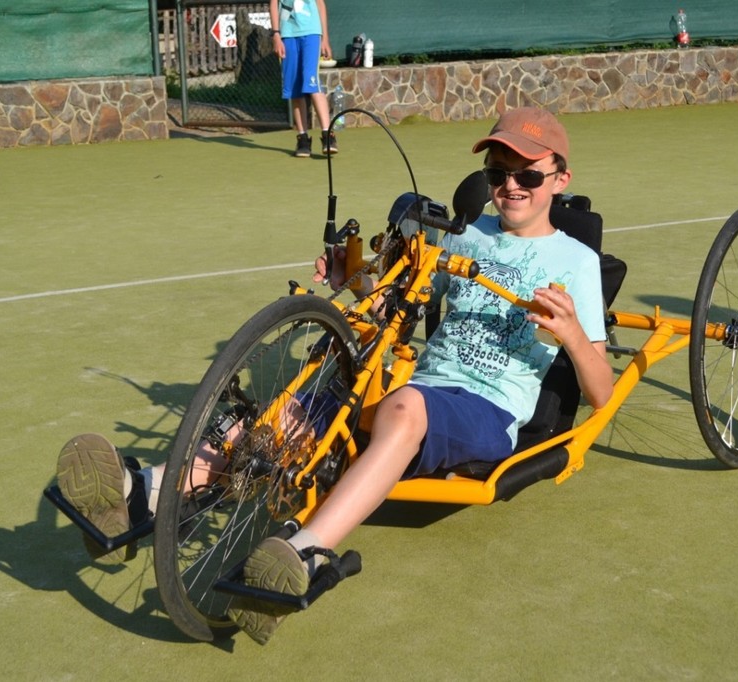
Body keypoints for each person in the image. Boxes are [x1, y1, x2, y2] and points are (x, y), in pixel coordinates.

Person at [53, 107, 614, 643]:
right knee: (293, 413)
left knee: (402, 409)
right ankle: (142, 492)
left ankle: (306, 553)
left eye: (527, 175)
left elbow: (600, 392)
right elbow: (400, 297)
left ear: (559, 179)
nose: (511, 185)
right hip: (419, 385)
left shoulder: (576, 261)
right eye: (497, 173)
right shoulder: (465, 233)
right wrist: (355, 278)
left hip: (487, 407)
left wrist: (570, 332)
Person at [271, 0, 337, 158]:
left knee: (312, 83)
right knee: (294, 89)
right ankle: (303, 139)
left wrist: (325, 39)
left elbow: (320, 4)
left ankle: (328, 135)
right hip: (287, 35)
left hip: (311, 33)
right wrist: (276, 35)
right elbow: (273, 4)